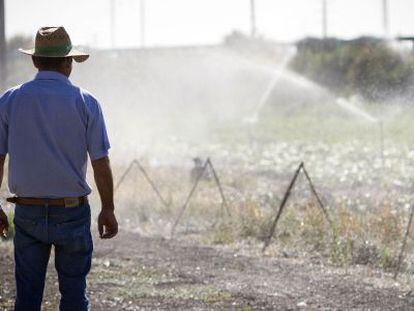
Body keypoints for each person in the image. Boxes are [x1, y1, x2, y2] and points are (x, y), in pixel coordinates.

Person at [0, 26, 118, 311]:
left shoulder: (10, 100)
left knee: (27, 298)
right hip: (72, 212)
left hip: (27, 212)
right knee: (75, 297)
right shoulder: (85, 102)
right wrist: (108, 208)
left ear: (34, 61)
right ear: (68, 63)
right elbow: (100, 161)